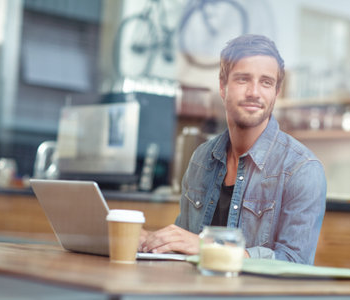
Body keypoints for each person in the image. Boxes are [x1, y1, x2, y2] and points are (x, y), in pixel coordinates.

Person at [139, 34, 326, 264]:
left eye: (266, 82)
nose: (254, 92)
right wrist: (150, 240)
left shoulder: (302, 170)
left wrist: (204, 246)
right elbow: (184, 248)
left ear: (276, 92)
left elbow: (295, 264)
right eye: (243, 79)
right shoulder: (201, 159)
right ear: (222, 86)